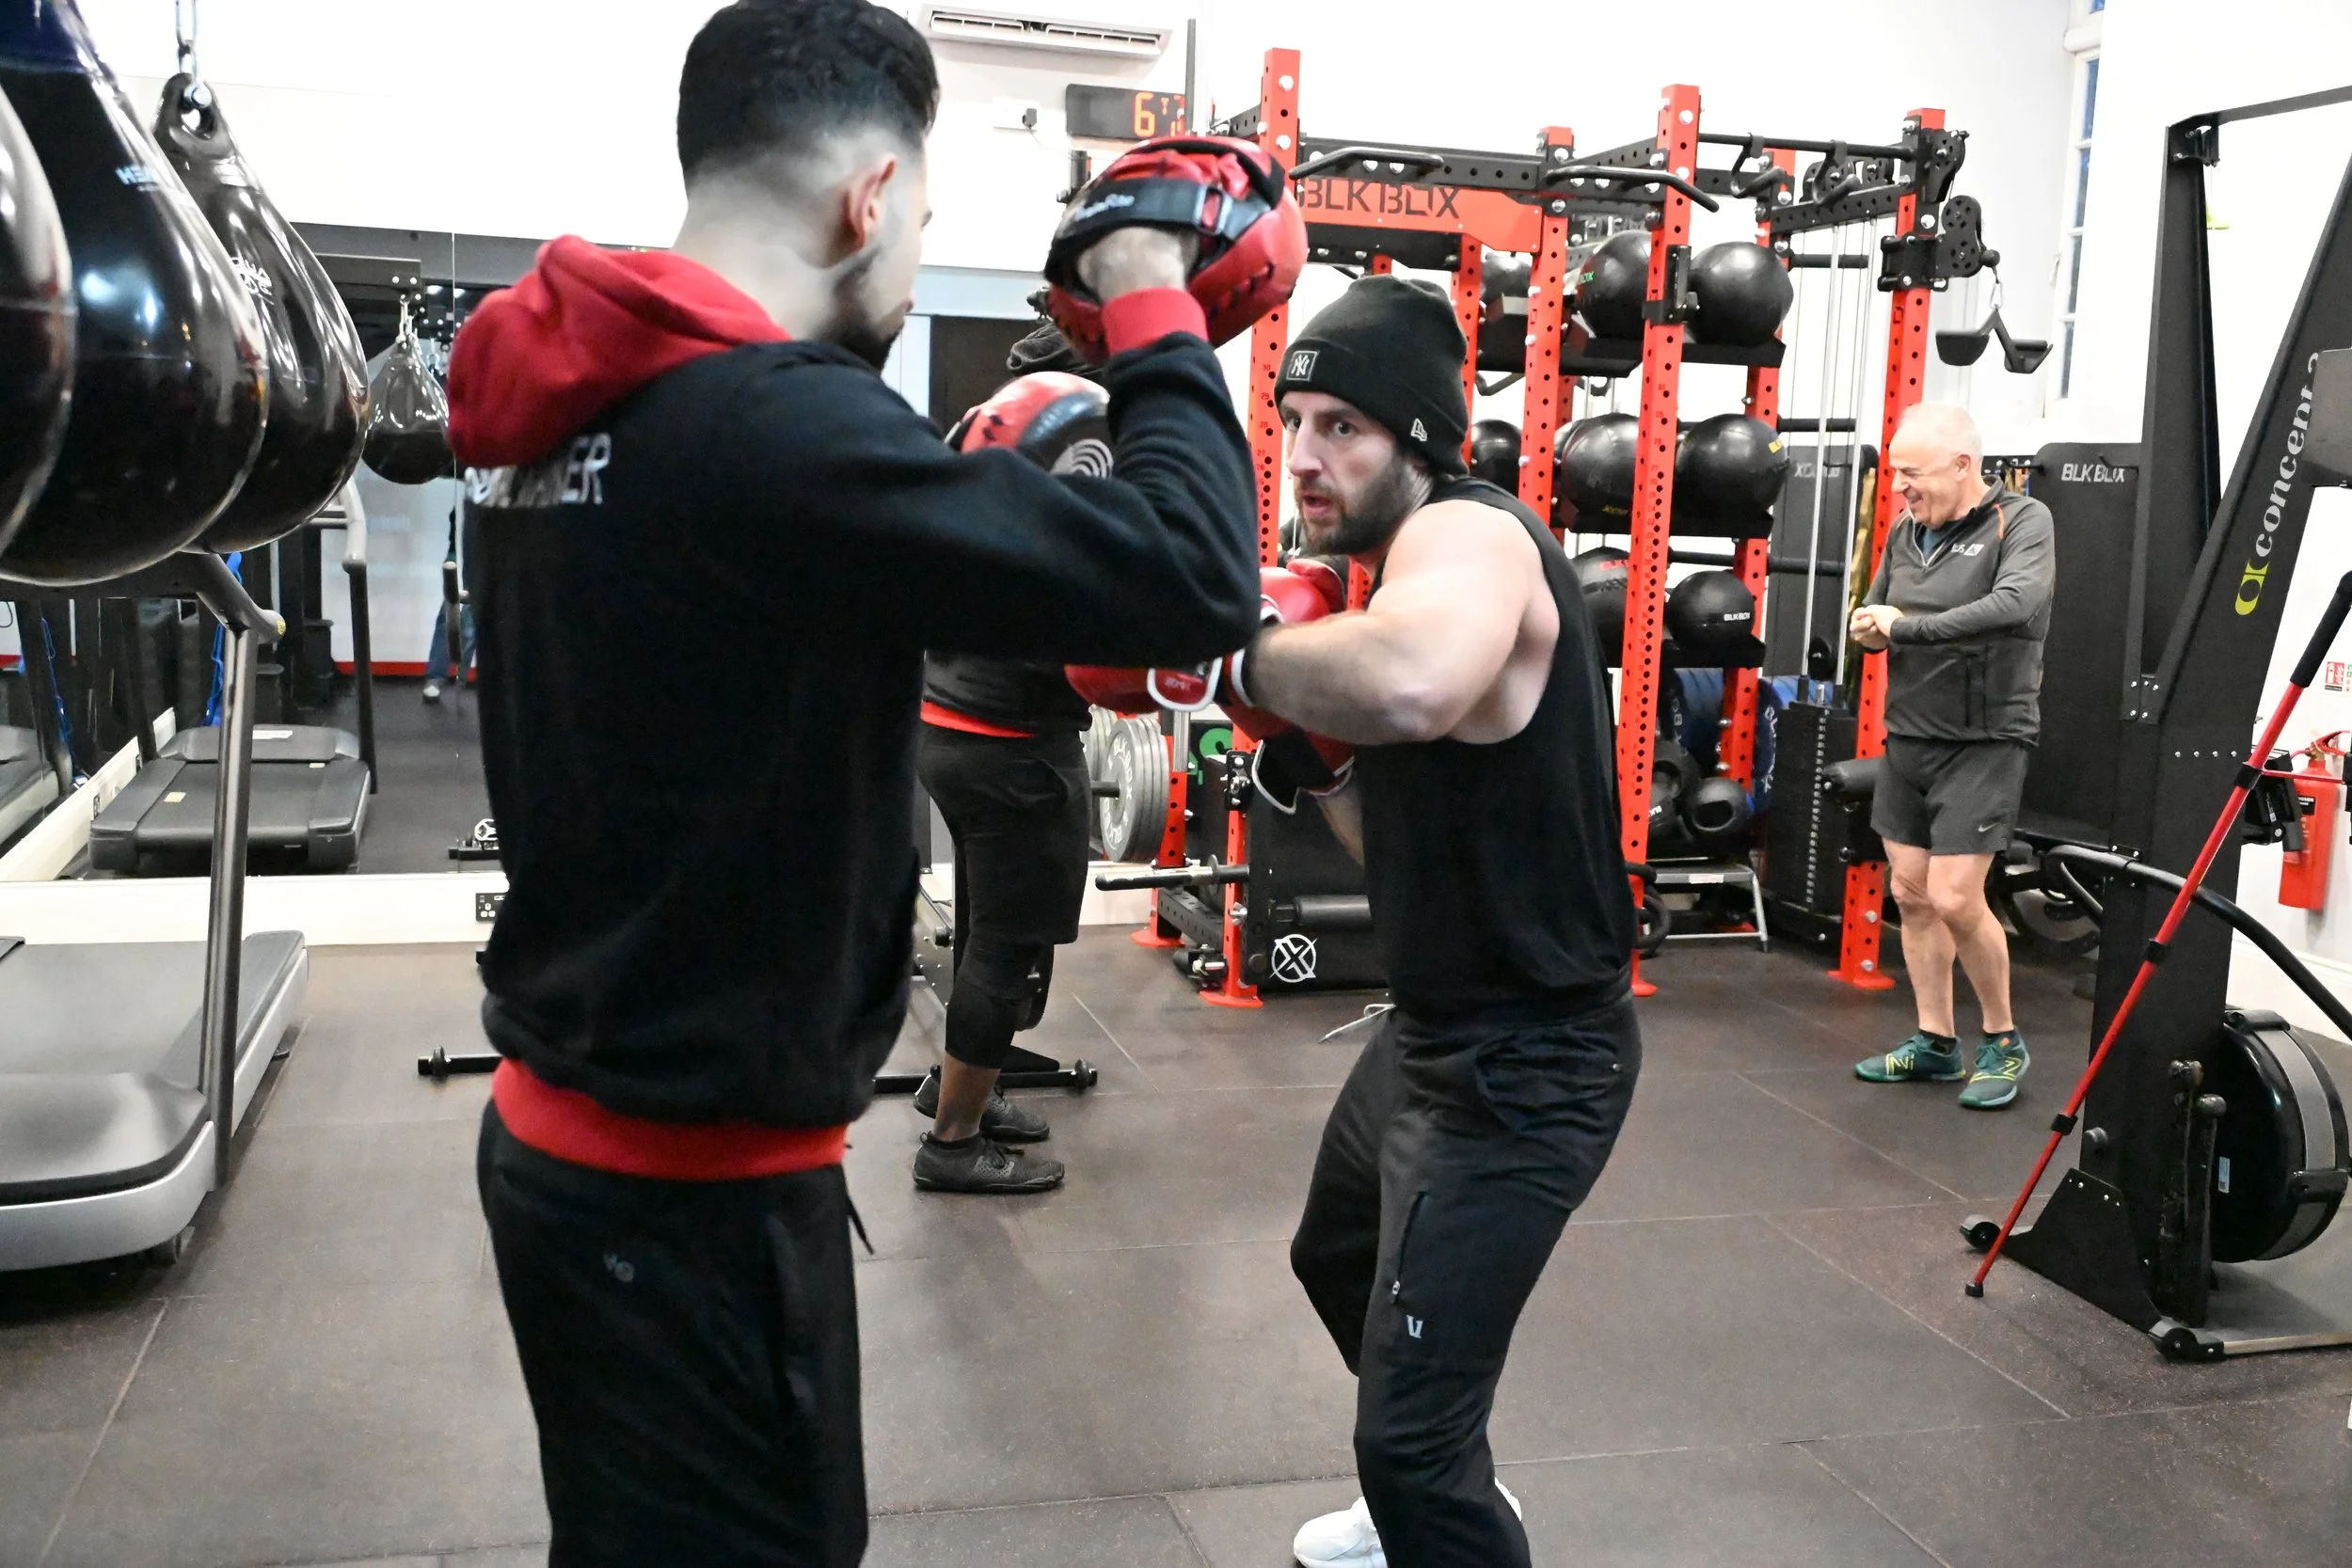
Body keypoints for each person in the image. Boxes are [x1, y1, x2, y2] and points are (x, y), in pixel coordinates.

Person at [443, 2, 1264, 1561]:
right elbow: (1194, 580)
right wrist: (1153, 298)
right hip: (687, 1196)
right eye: (923, 218)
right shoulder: (768, 427)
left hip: (578, 1140)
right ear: (870, 195)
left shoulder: (567, 400)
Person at [1233, 277, 1645, 1568]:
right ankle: (1433, 1467)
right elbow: (1397, 825)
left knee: (1405, 1444)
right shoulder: (1382, 577)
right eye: (1295, 419)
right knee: (1332, 1248)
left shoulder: (1467, 541)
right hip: (1433, 1027)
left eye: (1343, 423)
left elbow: (1409, 681)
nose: (1306, 453)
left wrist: (1221, 661)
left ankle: (1430, 1479)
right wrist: (1311, 756)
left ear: (1418, 438)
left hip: (1530, 1059)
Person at [909, 353, 1102, 1196]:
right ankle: (952, 1142)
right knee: (1007, 951)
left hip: (955, 727)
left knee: (991, 928)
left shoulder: (980, 464)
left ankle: (960, 1090)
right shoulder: (1050, 508)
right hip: (1010, 747)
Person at [1849, 402, 2056, 1111]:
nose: (1901, 488)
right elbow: (1877, 609)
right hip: (1911, 734)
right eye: (1897, 474)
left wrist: (1910, 628)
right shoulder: (1909, 531)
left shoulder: (2021, 522)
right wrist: (1871, 628)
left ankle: (2002, 1038)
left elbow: (2019, 604)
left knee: (1956, 895)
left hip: (1987, 738)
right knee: (1909, 892)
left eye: (1913, 474)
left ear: (1963, 466)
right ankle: (1936, 1041)